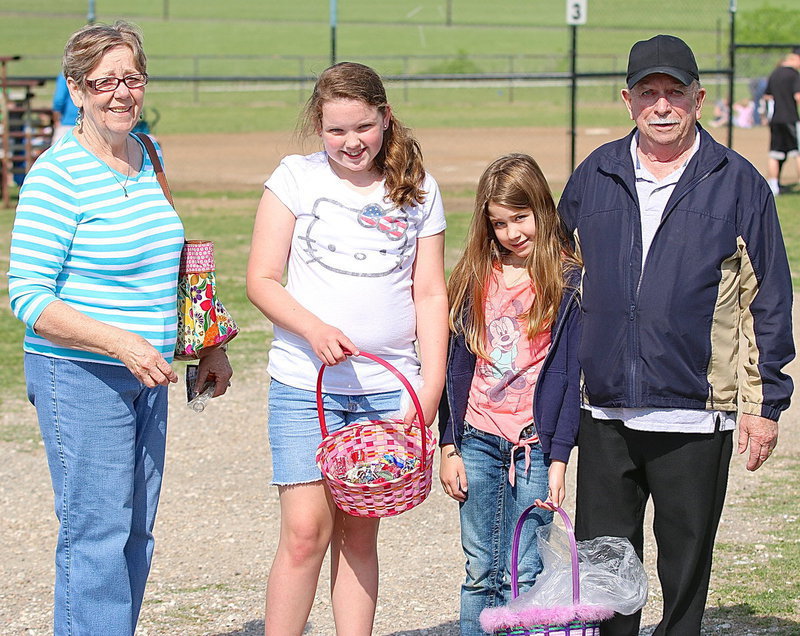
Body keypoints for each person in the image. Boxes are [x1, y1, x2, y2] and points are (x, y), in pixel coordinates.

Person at [558, 34, 794, 635]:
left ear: (698, 97)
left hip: (695, 411)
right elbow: (556, 282)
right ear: (627, 99)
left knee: (685, 570)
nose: (661, 106)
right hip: (605, 408)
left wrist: (763, 405)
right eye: (648, 93)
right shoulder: (596, 174)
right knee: (607, 572)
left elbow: (768, 297)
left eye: (674, 93)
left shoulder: (738, 181)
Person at [7, 21, 233, 636]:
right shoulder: (56, 177)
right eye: (104, 82)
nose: (121, 93)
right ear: (76, 91)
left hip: (147, 374)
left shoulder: (149, 152)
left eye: (131, 79)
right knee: (96, 533)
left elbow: (175, 258)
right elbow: (27, 296)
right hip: (81, 374)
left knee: (135, 531)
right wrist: (121, 342)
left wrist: (207, 343)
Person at [245, 61, 448, 635]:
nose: (351, 142)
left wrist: (428, 388)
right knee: (306, 530)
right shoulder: (295, 178)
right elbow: (261, 279)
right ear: (317, 125)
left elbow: (430, 293)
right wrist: (313, 329)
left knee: (359, 531)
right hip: (304, 384)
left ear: (385, 118)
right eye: (336, 131)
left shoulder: (418, 188)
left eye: (363, 127)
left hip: (388, 390)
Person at [438, 153, 582, 636]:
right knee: (481, 570)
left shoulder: (568, 280)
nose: (511, 232)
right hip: (476, 438)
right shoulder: (475, 276)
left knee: (525, 571)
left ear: (543, 208)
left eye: (521, 218)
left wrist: (558, 458)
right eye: (499, 223)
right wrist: (449, 445)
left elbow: (568, 376)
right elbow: (453, 368)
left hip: (535, 446)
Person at [764, 47, 800, 196]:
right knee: (798, 153)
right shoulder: (794, 75)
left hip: (776, 119)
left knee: (774, 153)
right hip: (791, 118)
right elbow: (798, 96)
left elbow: (767, 96)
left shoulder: (774, 73)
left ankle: (773, 186)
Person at [51, 73, 79, 144]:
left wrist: (56, 119)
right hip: (84, 121)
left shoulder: (65, 76)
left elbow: (58, 99)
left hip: (66, 121)